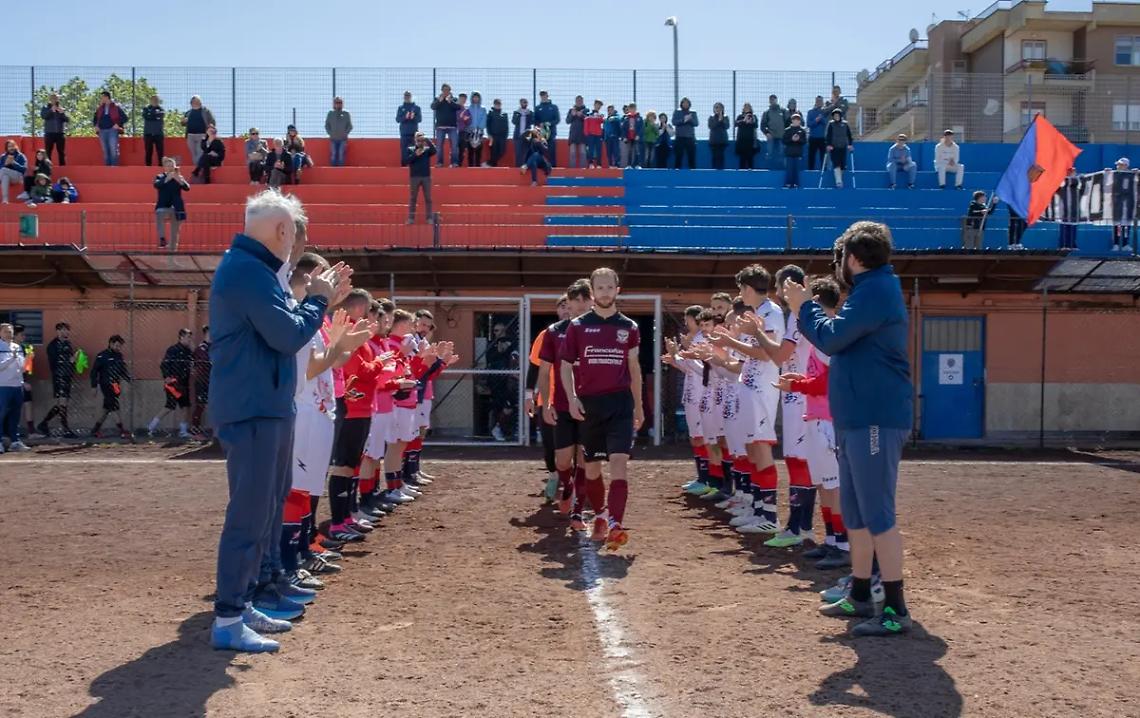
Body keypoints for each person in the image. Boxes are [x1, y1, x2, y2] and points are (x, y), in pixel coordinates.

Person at [208, 191, 347, 652]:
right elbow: (288, 335)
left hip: (265, 404)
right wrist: (320, 300)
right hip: (253, 407)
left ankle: (244, 602)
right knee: (249, 515)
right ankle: (228, 618)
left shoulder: (254, 270)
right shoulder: (248, 271)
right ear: (283, 231)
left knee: (265, 509)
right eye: (293, 233)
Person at [785, 220, 914, 637]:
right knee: (857, 514)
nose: (838, 265)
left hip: (873, 417)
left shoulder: (876, 290)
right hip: (858, 417)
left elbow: (833, 338)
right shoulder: (872, 290)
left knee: (877, 514)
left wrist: (803, 306)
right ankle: (861, 593)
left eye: (841, 258)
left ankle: (894, 608)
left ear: (854, 258)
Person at [560, 268, 643, 551]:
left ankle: (616, 524)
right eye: (601, 288)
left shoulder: (629, 327)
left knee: (619, 465)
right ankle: (599, 516)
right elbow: (565, 365)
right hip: (590, 406)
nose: (606, 292)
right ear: (593, 292)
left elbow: (634, 367)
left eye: (610, 287)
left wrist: (639, 406)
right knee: (592, 469)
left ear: (618, 290)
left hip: (620, 404)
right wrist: (571, 399)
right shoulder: (578, 326)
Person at [777, 277, 851, 566]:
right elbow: (820, 379)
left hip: (829, 420)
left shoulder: (828, 338)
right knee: (824, 484)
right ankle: (832, 540)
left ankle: (843, 544)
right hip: (817, 417)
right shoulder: (820, 340)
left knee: (834, 485)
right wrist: (801, 381)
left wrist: (797, 387)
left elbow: (830, 382)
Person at [537, 280, 592, 521]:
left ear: (592, 301)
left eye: (584, 300)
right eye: (575, 300)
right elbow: (543, 370)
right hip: (561, 404)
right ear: (567, 303)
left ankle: (576, 501)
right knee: (562, 458)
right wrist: (546, 402)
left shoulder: (601, 330)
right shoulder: (553, 332)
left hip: (591, 403)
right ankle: (566, 484)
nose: (579, 305)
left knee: (585, 455)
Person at [528, 294, 570, 500]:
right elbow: (534, 368)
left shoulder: (585, 331)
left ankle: (576, 484)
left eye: (568, 306)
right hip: (548, 399)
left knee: (577, 445)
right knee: (549, 444)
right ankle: (554, 476)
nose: (566, 310)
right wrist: (529, 395)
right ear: (557, 311)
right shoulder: (547, 334)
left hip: (575, 400)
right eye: (562, 307)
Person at [148, 328, 194, 438]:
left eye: (190, 338)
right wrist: (167, 377)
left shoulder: (188, 351)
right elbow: (164, 364)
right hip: (174, 383)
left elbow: (190, 365)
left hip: (184, 383)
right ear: (181, 337)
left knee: (185, 406)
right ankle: (151, 427)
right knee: (169, 406)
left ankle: (183, 431)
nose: (189, 340)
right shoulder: (173, 349)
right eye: (188, 337)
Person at [36, 322, 76, 438]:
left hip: (67, 376)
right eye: (63, 330)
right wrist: (69, 361)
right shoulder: (53, 345)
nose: (66, 332)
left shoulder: (68, 344)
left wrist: (74, 361)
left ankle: (44, 423)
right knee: (62, 403)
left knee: (63, 404)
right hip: (59, 376)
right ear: (58, 331)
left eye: (67, 330)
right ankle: (65, 429)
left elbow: (71, 360)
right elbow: (54, 363)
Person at [90, 335, 132, 439]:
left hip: (115, 385)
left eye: (120, 346)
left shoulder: (119, 356)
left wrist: (128, 378)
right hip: (106, 384)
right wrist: (94, 386)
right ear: (111, 344)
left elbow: (122, 370)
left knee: (107, 408)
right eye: (117, 345)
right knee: (114, 406)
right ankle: (122, 430)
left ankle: (95, 430)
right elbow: (94, 372)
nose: (119, 348)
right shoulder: (102, 356)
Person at [0, 323, 30, 453]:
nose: (9, 334)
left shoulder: (17, 347)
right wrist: (11, 358)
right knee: (1, 414)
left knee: (15, 415)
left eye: (10, 331)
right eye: (6, 331)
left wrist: (28, 359)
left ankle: (15, 441)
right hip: (3, 386)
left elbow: (22, 368)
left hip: (17, 386)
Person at [154, 157, 190, 250]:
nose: (170, 168)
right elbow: (156, 185)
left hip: (177, 207)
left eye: (172, 166)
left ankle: (173, 252)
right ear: (164, 167)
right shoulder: (160, 176)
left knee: (175, 231)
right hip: (163, 205)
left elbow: (187, 188)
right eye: (168, 166)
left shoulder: (179, 177)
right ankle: (162, 238)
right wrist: (167, 178)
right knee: (160, 215)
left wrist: (179, 179)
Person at [404, 131, 437, 224]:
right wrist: (415, 154)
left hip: (426, 177)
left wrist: (427, 140)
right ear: (415, 140)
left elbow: (434, 151)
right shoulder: (410, 149)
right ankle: (411, 218)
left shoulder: (427, 150)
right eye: (418, 139)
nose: (420, 141)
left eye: (421, 139)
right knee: (413, 198)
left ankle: (429, 218)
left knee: (428, 198)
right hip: (414, 177)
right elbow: (406, 161)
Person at [93, 91, 126, 166]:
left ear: (106, 97)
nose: (101, 99)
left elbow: (125, 118)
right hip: (102, 131)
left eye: (102, 97)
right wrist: (96, 126)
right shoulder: (100, 108)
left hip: (112, 131)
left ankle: (114, 168)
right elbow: (95, 119)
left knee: (113, 149)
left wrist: (118, 124)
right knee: (105, 151)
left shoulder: (116, 107)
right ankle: (107, 169)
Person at [431, 84, 461, 168]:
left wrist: (450, 101)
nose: (445, 91)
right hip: (440, 127)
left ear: (450, 91)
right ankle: (440, 163)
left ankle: (454, 163)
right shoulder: (437, 99)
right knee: (439, 146)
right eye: (444, 90)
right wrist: (439, 101)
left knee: (454, 145)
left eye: (447, 90)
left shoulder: (454, 99)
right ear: (441, 90)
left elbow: (458, 107)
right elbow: (433, 107)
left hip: (452, 127)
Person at [181, 96, 215, 166]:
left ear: (200, 102)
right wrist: (183, 121)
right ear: (191, 103)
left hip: (202, 135)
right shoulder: (188, 113)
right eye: (193, 102)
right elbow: (182, 123)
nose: (195, 103)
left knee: (200, 151)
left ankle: (198, 167)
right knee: (193, 153)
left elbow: (212, 121)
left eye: (197, 101)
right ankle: (197, 166)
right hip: (190, 135)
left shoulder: (206, 111)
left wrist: (211, 125)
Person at [1111, 157, 1136, 252]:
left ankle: (1125, 243)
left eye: (1120, 165)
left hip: (1128, 204)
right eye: (1118, 164)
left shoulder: (1132, 175)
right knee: (1117, 225)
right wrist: (1107, 173)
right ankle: (1116, 244)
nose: (1118, 166)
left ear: (1126, 166)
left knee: (1126, 226)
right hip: (1118, 204)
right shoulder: (1114, 174)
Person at [191, 326, 212, 435]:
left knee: (214, 404)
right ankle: (195, 428)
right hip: (202, 381)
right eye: (210, 333)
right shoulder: (201, 348)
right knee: (201, 404)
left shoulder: (215, 347)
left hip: (213, 381)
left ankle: (213, 429)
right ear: (205, 334)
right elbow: (205, 361)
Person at [825, 109, 853, 188]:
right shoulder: (831, 124)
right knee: (836, 163)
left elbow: (849, 135)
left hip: (843, 147)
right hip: (834, 147)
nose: (836, 117)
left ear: (841, 116)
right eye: (835, 115)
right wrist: (828, 144)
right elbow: (828, 135)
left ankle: (839, 178)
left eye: (838, 115)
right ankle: (839, 181)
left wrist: (850, 144)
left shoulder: (845, 124)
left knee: (843, 165)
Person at [40, 93, 69, 166]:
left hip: (60, 133)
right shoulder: (45, 108)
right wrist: (51, 110)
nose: (54, 100)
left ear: (57, 99)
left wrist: (62, 113)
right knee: (48, 151)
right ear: (49, 99)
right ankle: (48, 166)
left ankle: (63, 166)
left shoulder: (61, 108)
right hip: (49, 133)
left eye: (55, 98)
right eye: (52, 98)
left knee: (61, 151)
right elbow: (43, 116)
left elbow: (67, 119)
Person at [761, 95, 789, 169]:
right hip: (771, 137)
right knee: (770, 154)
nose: (772, 101)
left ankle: (781, 169)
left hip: (782, 137)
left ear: (777, 100)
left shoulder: (783, 111)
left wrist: (786, 134)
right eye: (771, 99)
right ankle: (770, 169)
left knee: (781, 153)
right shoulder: (766, 112)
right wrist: (767, 133)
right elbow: (763, 125)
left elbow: (788, 123)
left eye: (774, 99)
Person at [534, 91, 561, 167]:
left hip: (551, 133)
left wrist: (549, 123)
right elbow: (535, 120)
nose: (543, 97)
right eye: (541, 96)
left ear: (547, 96)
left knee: (551, 150)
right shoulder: (537, 108)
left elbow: (557, 119)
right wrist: (540, 124)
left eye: (544, 95)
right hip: (541, 133)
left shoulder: (554, 107)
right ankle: (541, 166)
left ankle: (553, 167)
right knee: (541, 150)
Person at [1057, 167, 1081, 250]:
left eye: (1072, 171)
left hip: (1074, 209)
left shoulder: (1077, 182)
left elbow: (1079, 184)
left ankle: (1072, 244)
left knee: (1073, 228)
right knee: (1064, 227)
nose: (1071, 173)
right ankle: (1064, 245)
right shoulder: (1061, 182)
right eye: (1069, 172)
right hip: (1064, 209)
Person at [671, 97, 699, 169]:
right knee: (678, 156)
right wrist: (683, 120)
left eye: (687, 103)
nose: (685, 104)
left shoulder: (693, 113)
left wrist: (690, 120)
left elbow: (696, 123)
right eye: (684, 103)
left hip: (690, 138)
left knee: (691, 156)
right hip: (680, 137)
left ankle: (693, 171)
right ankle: (677, 171)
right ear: (681, 104)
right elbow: (674, 122)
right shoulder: (677, 112)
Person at [325, 96, 353, 167]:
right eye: (337, 102)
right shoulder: (330, 113)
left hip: (343, 139)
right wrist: (330, 133)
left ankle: (340, 171)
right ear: (334, 104)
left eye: (340, 102)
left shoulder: (346, 114)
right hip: (333, 139)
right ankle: (333, 171)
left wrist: (345, 133)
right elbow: (327, 125)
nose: (338, 104)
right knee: (333, 154)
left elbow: (350, 126)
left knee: (341, 154)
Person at [783, 114, 807, 188]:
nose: (796, 121)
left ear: (800, 121)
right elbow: (784, 141)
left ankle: (796, 183)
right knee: (789, 169)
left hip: (798, 153)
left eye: (798, 120)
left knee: (797, 169)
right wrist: (791, 139)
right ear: (792, 120)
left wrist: (798, 139)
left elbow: (804, 141)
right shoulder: (787, 130)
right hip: (789, 153)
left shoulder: (802, 131)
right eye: (794, 119)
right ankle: (788, 183)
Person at [464, 92, 487, 168]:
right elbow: (466, 119)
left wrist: (479, 128)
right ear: (472, 98)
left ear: (479, 98)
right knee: (470, 151)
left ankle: (477, 167)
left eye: (477, 97)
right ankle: (470, 167)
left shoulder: (483, 109)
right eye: (474, 97)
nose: (475, 98)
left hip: (479, 133)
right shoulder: (468, 109)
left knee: (478, 151)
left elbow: (484, 119)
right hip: (470, 132)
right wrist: (469, 127)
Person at [397, 91, 422, 160]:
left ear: (411, 97)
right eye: (405, 96)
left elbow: (419, 119)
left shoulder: (417, 108)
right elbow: (398, 119)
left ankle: (413, 167)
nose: (407, 97)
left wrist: (413, 117)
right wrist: (405, 117)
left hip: (414, 133)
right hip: (404, 133)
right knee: (404, 151)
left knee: (414, 151)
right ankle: (404, 166)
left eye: (408, 96)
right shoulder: (400, 108)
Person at [142, 95, 166, 167]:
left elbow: (160, 115)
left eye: (156, 100)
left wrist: (151, 115)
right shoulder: (146, 109)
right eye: (153, 100)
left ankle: (161, 166)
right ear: (150, 100)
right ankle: (148, 166)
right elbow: (146, 116)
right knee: (148, 151)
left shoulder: (161, 109)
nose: (155, 101)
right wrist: (154, 115)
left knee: (160, 152)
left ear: (158, 101)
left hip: (158, 134)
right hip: (148, 133)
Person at [0, 140, 27, 204]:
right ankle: (5, 200)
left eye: (12, 146)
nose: (11, 148)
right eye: (9, 146)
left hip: (18, 177)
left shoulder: (21, 156)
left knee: (3, 170)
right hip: (7, 177)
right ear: (6, 148)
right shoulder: (3, 157)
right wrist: (6, 164)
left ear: (15, 146)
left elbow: (24, 169)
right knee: (5, 177)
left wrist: (14, 163)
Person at [565, 95, 588, 170]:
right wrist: (572, 115)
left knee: (583, 153)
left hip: (583, 135)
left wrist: (582, 115)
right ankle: (572, 171)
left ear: (583, 101)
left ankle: (583, 171)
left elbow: (588, 120)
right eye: (577, 101)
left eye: (580, 100)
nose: (579, 102)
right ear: (575, 101)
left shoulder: (586, 110)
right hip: (573, 135)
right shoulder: (571, 110)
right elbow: (567, 121)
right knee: (572, 153)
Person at [486, 99, 510, 167]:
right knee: (494, 152)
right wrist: (489, 134)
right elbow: (488, 124)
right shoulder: (491, 113)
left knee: (502, 152)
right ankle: (493, 166)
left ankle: (490, 163)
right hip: (493, 136)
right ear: (494, 104)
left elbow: (506, 126)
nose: (498, 105)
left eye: (499, 104)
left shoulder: (504, 114)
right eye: (496, 104)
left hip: (502, 136)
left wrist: (506, 136)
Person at [512, 98, 534, 169]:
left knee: (526, 153)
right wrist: (519, 115)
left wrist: (529, 115)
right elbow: (514, 121)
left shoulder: (530, 112)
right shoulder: (516, 112)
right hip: (518, 136)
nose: (524, 103)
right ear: (520, 103)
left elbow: (532, 122)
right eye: (523, 102)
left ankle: (525, 168)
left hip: (527, 136)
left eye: (525, 102)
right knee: (518, 154)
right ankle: (518, 169)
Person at [806, 95, 827, 170]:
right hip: (813, 138)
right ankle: (810, 170)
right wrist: (816, 120)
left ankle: (824, 171)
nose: (819, 103)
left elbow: (826, 123)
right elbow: (809, 124)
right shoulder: (810, 112)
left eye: (820, 101)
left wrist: (821, 118)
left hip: (822, 138)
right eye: (818, 101)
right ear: (815, 102)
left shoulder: (825, 112)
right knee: (811, 156)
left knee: (823, 156)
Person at [735, 103, 759, 170]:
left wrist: (751, 121)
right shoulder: (740, 116)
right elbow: (736, 124)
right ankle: (741, 175)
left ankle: (751, 175)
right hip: (741, 142)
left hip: (750, 142)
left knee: (750, 160)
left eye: (748, 107)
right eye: (745, 107)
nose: (747, 108)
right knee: (742, 160)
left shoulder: (754, 116)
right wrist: (744, 120)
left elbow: (756, 125)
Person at [620, 103, 644, 169]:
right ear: (629, 109)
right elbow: (623, 129)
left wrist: (638, 135)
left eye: (634, 108)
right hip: (629, 137)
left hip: (636, 137)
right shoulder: (626, 118)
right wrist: (624, 137)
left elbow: (641, 128)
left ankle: (637, 164)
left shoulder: (639, 118)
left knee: (637, 151)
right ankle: (629, 165)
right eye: (631, 108)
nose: (632, 110)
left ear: (636, 109)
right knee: (629, 151)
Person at [584, 99, 605, 169]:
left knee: (599, 149)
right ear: (594, 105)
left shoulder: (601, 115)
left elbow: (602, 123)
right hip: (590, 134)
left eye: (600, 105)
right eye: (597, 105)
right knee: (591, 149)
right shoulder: (589, 114)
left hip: (598, 134)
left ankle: (599, 164)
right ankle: (590, 163)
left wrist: (601, 117)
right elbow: (586, 124)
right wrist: (586, 134)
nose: (598, 106)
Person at [708, 103, 730, 170]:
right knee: (714, 156)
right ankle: (714, 170)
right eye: (716, 107)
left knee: (721, 156)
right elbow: (711, 126)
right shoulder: (711, 117)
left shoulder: (725, 117)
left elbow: (727, 126)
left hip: (722, 141)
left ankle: (721, 171)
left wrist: (722, 120)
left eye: (720, 108)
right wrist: (718, 121)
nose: (718, 109)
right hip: (713, 141)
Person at [604, 105, 622, 169]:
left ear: (613, 110)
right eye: (608, 110)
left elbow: (619, 119)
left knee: (616, 151)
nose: (609, 111)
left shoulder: (617, 117)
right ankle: (610, 164)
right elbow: (604, 129)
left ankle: (617, 164)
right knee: (609, 152)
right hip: (607, 138)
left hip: (615, 137)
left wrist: (614, 118)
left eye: (611, 110)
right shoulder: (606, 119)